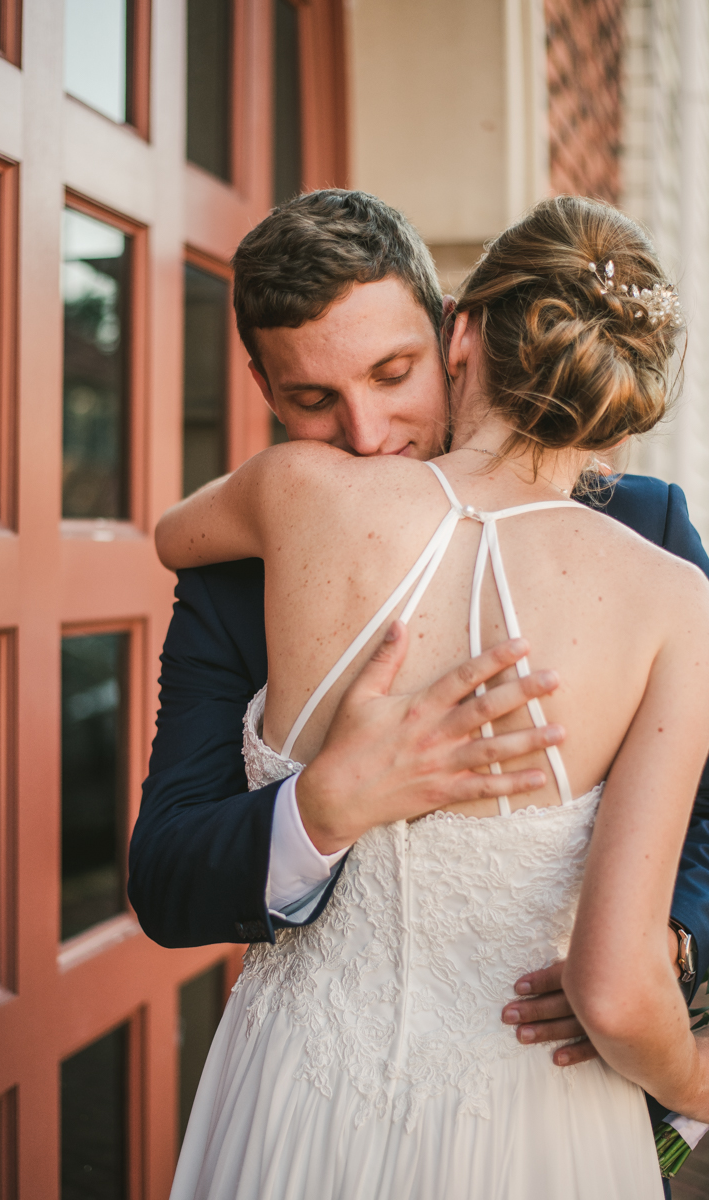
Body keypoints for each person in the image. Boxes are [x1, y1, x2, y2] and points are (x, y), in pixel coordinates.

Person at [153, 195, 709, 1198]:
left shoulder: (650, 529)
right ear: (260, 385)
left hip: (527, 1087)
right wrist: (322, 805)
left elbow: (699, 816)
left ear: (454, 330)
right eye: (312, 396)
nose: (364, 433)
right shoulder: (246, 564)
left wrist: (672, 933)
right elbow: (165, 877)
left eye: (390, 375)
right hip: (310, 1075)